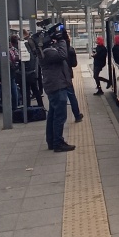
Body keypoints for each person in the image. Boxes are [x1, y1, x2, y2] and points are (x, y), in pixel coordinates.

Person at [38, 23, 75, 152]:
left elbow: (65, 52)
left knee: (53, 115)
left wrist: (62, 39)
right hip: (57, 85)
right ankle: (58, 143)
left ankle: (52, 141)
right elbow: (63, 55)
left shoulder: (46, 51)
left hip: (54, 84)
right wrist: (60, 40)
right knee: (60, 115)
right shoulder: (48, 52)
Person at [63, 31, 83, 123]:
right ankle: (77, 115)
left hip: (57, 77)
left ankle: (61, 118)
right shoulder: (70, 49)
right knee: (71, 96)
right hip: (67, 76)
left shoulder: (55, 49)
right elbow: (74, 64)